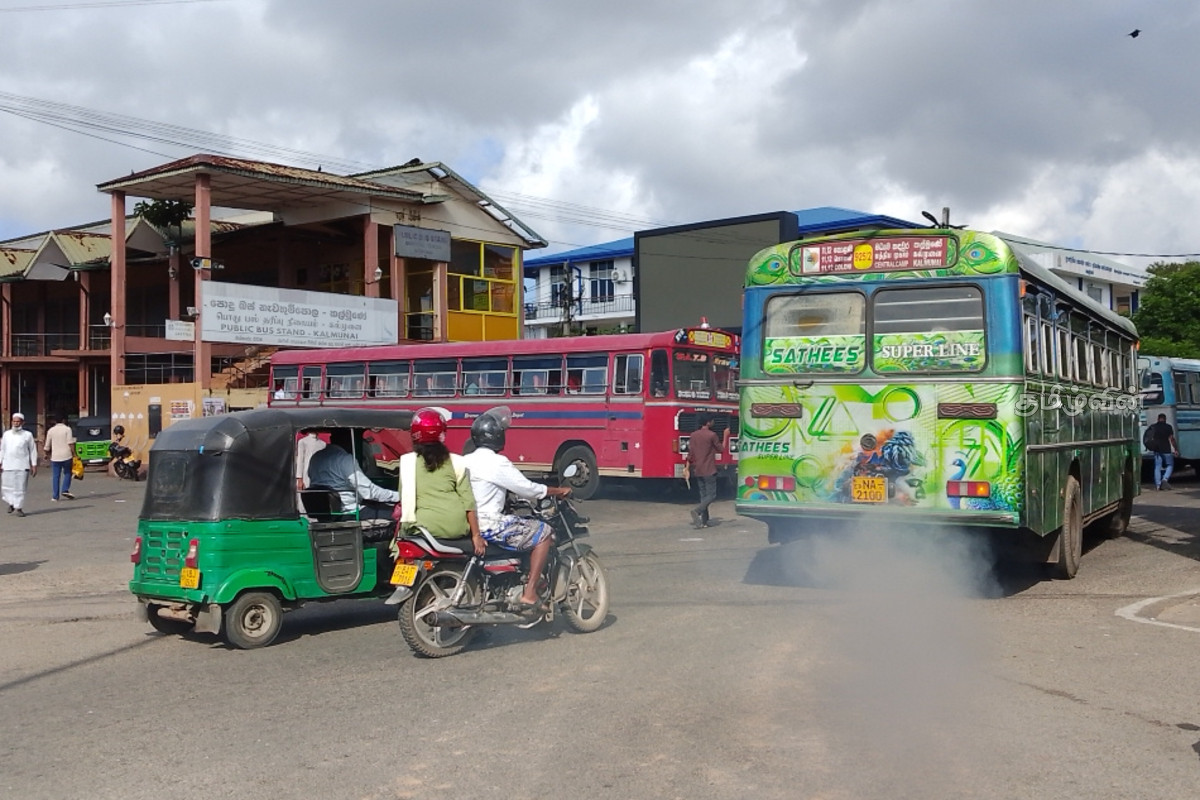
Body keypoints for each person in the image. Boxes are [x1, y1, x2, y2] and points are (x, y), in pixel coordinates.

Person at [462, 409, 570, 609]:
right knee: (543, 532)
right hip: (490, 524)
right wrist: (556, 491)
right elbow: (528, 488)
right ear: (497, 436)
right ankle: (529, 593)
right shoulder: (497, 463)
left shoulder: (465, 460)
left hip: (469, 523)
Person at [395, 408, 482, 549]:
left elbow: (404, 498)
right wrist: (476, 535)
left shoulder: (407, 462)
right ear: (442, 433)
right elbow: (468, 502)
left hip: (422, 527)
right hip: (457, 527)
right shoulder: (457, 462)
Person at [306, 428, 398, 520]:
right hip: (349, 512)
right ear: (350, 440)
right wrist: (399, 496)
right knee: (397, 514)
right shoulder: (345, 459)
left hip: (326, 513)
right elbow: (368, 492)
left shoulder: (316, 457)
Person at [686, 412, 724, 529]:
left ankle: (704, 521)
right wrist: (726, 436)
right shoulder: (712, 435)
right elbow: (721, 449)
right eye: (712, 420)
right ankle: (697, 511)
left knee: (704, 496)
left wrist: (687, 467)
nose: (713, 422)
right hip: (709, 469)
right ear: (708, 422)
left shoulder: (693, 435)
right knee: (712, 495)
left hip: (698, 469)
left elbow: (690, 454)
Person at [1, 412, 38, 517]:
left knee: (20, 487)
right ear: (12, 422)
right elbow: (2, 450)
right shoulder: (6, 434)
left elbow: (32, 450)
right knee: (7, 487)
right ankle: (11, 503)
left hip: (22, 465)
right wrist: (0, 462)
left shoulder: (27, 435)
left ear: (22, 423)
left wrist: (34, 465)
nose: (16, 423)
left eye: (18, 422)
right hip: (7, 465)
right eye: (14, 421)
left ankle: (19, 507)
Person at [44, 412, 77, 501]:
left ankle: (55, 496)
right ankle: (65, 489)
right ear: (64, 420)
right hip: (66, 455)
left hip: (55, 457)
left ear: (55, 421)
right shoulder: (67, 429)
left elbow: (47, 446)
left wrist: (46, 455)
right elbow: (70, 443)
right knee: (67, 473)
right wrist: (74, 454)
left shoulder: (51, 431)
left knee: (55, 476)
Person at [1146, 413, 1180, 490]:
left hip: (1157, 450)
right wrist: (1175, 449)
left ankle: (1158, 485)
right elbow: (1172, 439)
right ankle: (1165, 479)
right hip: (1166, 449)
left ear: (1158, 419)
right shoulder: (1168, 427)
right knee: (1170, 465)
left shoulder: (1153, 427)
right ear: (1165, 419)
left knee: (1157, 466)